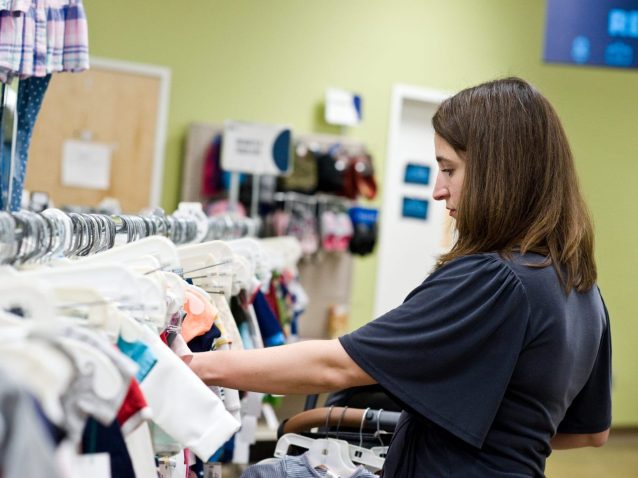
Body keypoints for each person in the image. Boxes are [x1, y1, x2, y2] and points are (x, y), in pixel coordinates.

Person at [190, 77, 612, 477]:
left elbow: (333, 367)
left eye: (449, 169)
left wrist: (190, 365)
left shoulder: (494, 281)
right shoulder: (580, 288)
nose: (437, 190)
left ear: (497, 173)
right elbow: (590, 432)